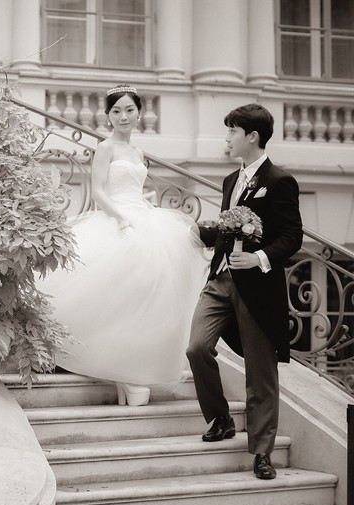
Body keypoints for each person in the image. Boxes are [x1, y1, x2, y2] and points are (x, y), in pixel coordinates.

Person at [39, 85, 209, 406]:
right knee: (115, 293)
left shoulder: (138, 153)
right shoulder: (105, 148)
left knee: (147, 291)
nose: (123, 116)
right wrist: (120, 218)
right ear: (108, 117)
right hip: (115, 217)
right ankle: (124, 373)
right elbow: (99, 191)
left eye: (129, 110)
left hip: (141, 215)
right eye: (116, 111)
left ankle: (130, 371)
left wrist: (142, 207)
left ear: (138, 113)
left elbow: (134, 187)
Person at [186, 103, 303, 480]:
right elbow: (229, 227)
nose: (226, 137)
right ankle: (221, 418)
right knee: (197, 347)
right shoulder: (228, 181)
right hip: (220, 280)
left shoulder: (280, 180)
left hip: (257, 288)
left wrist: (260, 259)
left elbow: (292, 237)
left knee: (260, 371)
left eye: (231, 131)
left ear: (251, 136)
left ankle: (262, 452)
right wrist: (202, 232)